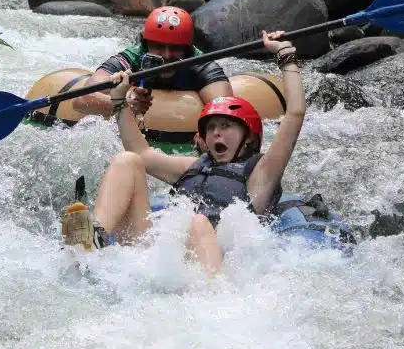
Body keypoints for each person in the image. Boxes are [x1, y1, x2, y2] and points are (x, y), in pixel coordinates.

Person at [61, 30, 305, 276]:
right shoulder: (193, 166)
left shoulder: (260, 175)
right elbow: (140, 152)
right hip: (159, 262)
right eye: (211, 128)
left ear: (250, 137)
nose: (216, 134)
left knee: (197, 222)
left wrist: (286, 55)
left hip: (209, 275)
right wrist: (120, 102)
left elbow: (295, 114)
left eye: (226, 126)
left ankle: (204, 293)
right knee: (128, 160)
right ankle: (94, 240)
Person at [72, 6, 233, 121]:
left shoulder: (201, 64)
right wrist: (124, 103)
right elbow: (81, 100)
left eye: (176, 47)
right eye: (159, 46)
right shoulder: (129, 59)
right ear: (146, 44)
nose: (167, 55)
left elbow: (226, 111)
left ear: (187, 48)